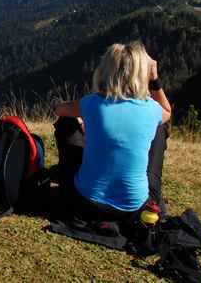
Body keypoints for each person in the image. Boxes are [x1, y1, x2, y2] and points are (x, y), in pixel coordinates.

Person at [54, 41, 172, 222]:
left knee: (66, 123)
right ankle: (154, 195)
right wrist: (154, 79)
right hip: (133, 210)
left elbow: (59, 110)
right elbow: (168, 112)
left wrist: (85, 121)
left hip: (85, 203)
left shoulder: (92, 103)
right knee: (159, 128)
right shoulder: (151, 109)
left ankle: (72, 173)